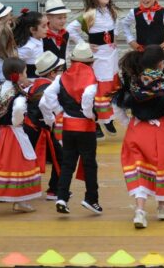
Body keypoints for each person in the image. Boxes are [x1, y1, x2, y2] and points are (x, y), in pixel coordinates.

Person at [112, 45, 164, 229]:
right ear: (161, 63)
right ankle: (162, 207)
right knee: (163, 168)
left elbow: (117, 104)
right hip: (161, 130)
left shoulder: (135, 81)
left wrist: (127, 123)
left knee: (139, 170)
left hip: (137, 130)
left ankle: (140, 211)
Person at [40, 42, 102, 215]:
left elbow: (48, 95)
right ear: (90, 62)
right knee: (89, 164)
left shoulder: (62, 77)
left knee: (68, 163)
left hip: (67, 125)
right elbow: (88, 97)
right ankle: (91, 199)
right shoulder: (91, 77)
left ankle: (61, 197)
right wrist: (89, 114)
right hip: (85, 127)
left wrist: (59, 110)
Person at [0, 58, 40, 213]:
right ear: (19, 75)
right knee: (20, 164)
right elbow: (19, 110)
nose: (26, 74)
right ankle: (20, 201)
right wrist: (17, 122)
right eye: (25, 72)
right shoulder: (18, 95)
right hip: (13, 133)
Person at [67, 0, 120, 139]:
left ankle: (108, 117)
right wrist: (84, 44)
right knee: (97, 87)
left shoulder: (112, 11)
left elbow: (115, 27)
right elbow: (70, 29)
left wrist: (114, 38)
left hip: (111, 55)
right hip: (97, 57)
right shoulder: (90, 14)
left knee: (111, 86)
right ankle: (95, 120)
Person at [24, 51, 65, 200]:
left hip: (28, 128)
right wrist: (50, 122)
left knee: (23, 160)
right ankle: (55, 190)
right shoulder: (50, 88)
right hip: (39, 130)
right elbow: (44, 106)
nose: (62, 72)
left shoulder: (34, 84)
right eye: (60, 69)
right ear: (53, 73)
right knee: (61, 157)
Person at [14, 8, 48, 79]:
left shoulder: (39, 38)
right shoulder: (27, 47)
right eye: (44, 26)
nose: (47, 29)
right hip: (31, 80)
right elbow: (16, 65)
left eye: (47, 25)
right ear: (32, 30)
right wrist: (23, 79)